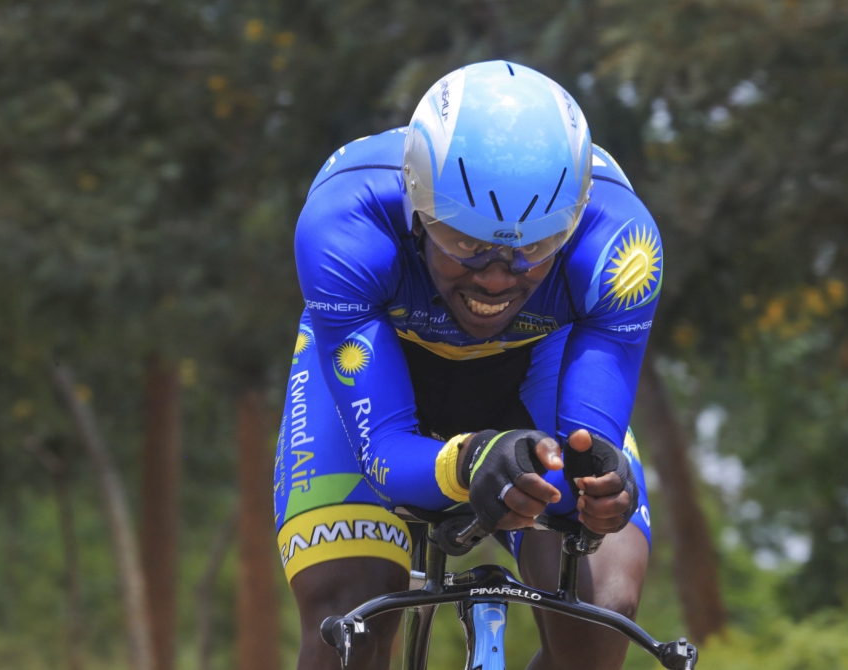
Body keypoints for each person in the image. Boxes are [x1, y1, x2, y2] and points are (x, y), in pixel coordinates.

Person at [274, 60, 662, 670]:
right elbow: (382, 452)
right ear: (417, 206)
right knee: (347, 622)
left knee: (602, 609)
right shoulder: (345, 224)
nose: (496, 277)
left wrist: (596, 492)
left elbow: (585, 457)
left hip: (533, 378)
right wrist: (471, 459)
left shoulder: (620, 248)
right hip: (382, 385)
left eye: (532, 250)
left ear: (570, 225)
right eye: (464, 243)